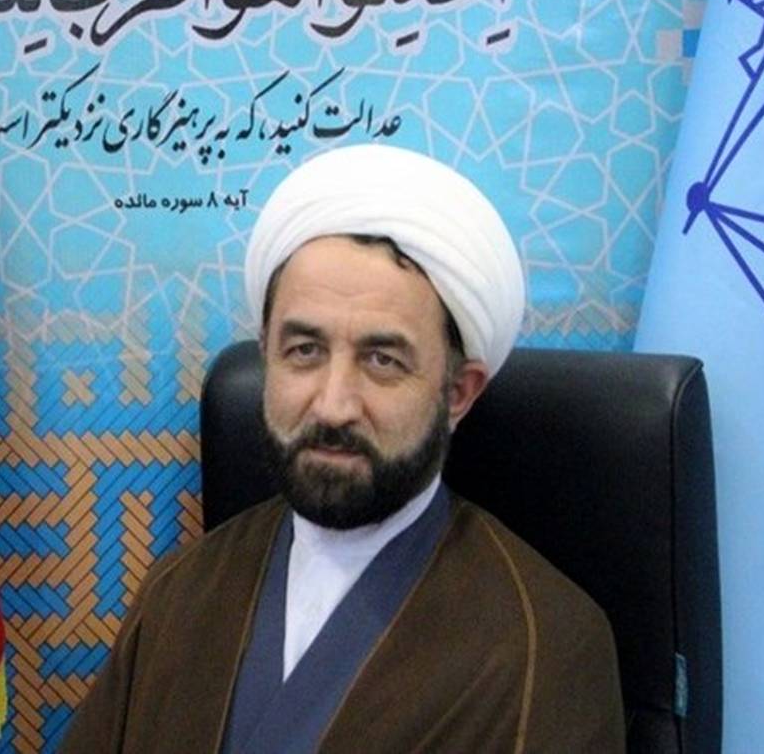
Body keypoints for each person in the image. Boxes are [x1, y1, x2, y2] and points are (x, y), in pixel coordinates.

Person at [62, 145, 624, 753]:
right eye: (304, 351)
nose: (333, 406)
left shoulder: (544, 645)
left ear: (457, 392)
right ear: (268, 356)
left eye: (382, 360)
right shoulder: (180, 591)